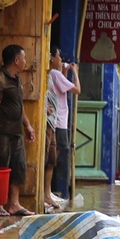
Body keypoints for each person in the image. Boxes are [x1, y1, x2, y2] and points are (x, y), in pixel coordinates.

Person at [0, 44, 35, 217]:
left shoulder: (16, 80)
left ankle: (14, 204)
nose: (25, 62)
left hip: (16, 132)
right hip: (2, 133)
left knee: (18, 167)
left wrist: (27, 125)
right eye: (23, 58)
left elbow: (19, 106)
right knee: (2, 167)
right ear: (16, 60)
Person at [44, 47, 78, 212]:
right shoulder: (54, 74)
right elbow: (77, 89)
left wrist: (65, 72)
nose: (61, 59)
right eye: (59, 56)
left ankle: (47, 192)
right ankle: (46, 192)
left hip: (58, 121)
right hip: (59, 122)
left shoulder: (54, 75)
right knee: (52, 159)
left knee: (52, 158)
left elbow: (61, 91)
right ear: (51, 58)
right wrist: (75, 72)